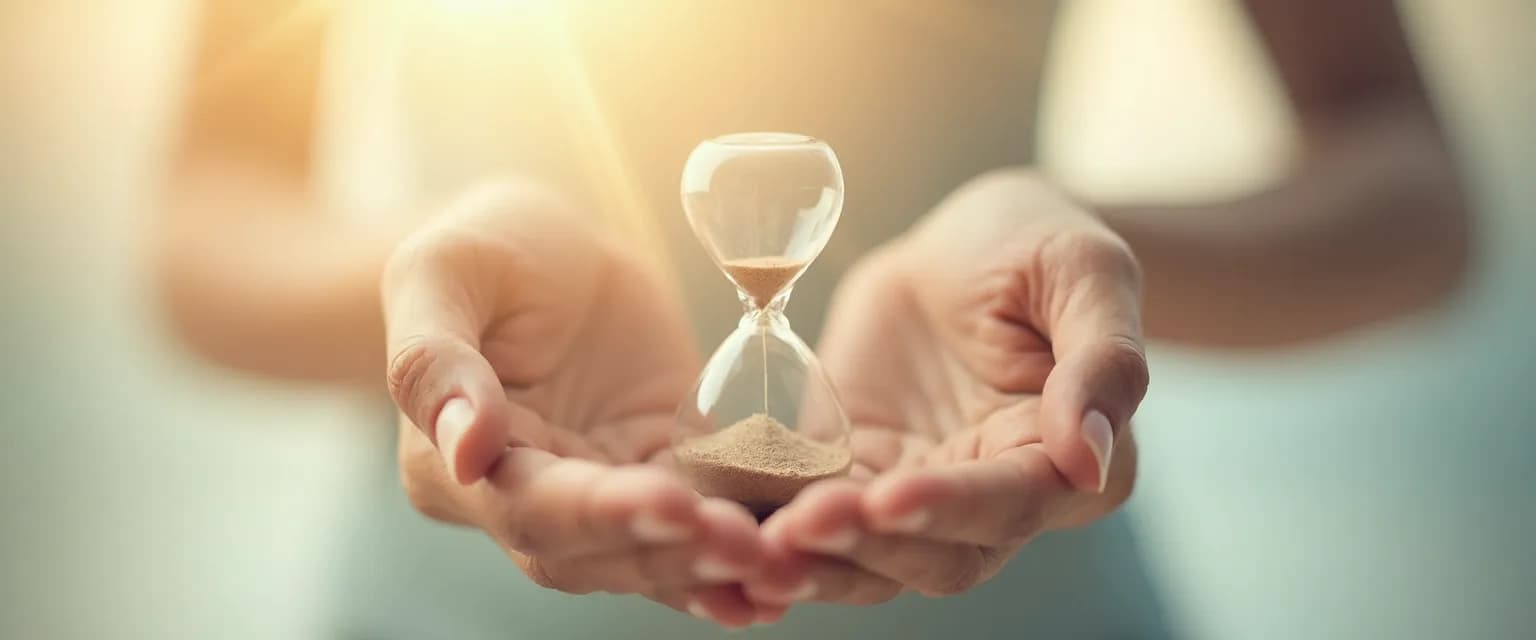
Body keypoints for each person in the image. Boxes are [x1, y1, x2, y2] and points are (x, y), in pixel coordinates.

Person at [156, 0, 1468, 636]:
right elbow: (204, 213)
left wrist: (1081, 262)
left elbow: (1412, 187)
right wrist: (432, 286)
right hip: (465, 586)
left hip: (1009, 547)